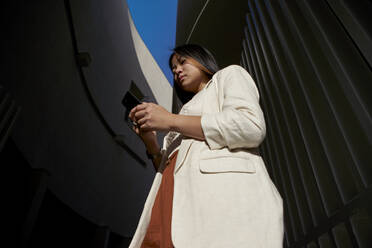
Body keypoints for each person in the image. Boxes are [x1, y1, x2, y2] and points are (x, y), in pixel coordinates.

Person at [128, 44, 284, 248]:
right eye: (173, 69)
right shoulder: (182, 111)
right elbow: (168, 168)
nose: (177, 70)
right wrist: (151, 144)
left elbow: (250, 125)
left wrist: (171, 120)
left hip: (222, 209)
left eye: (182, 62)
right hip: (169, 208)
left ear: (202, 60)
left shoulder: (229, 76)